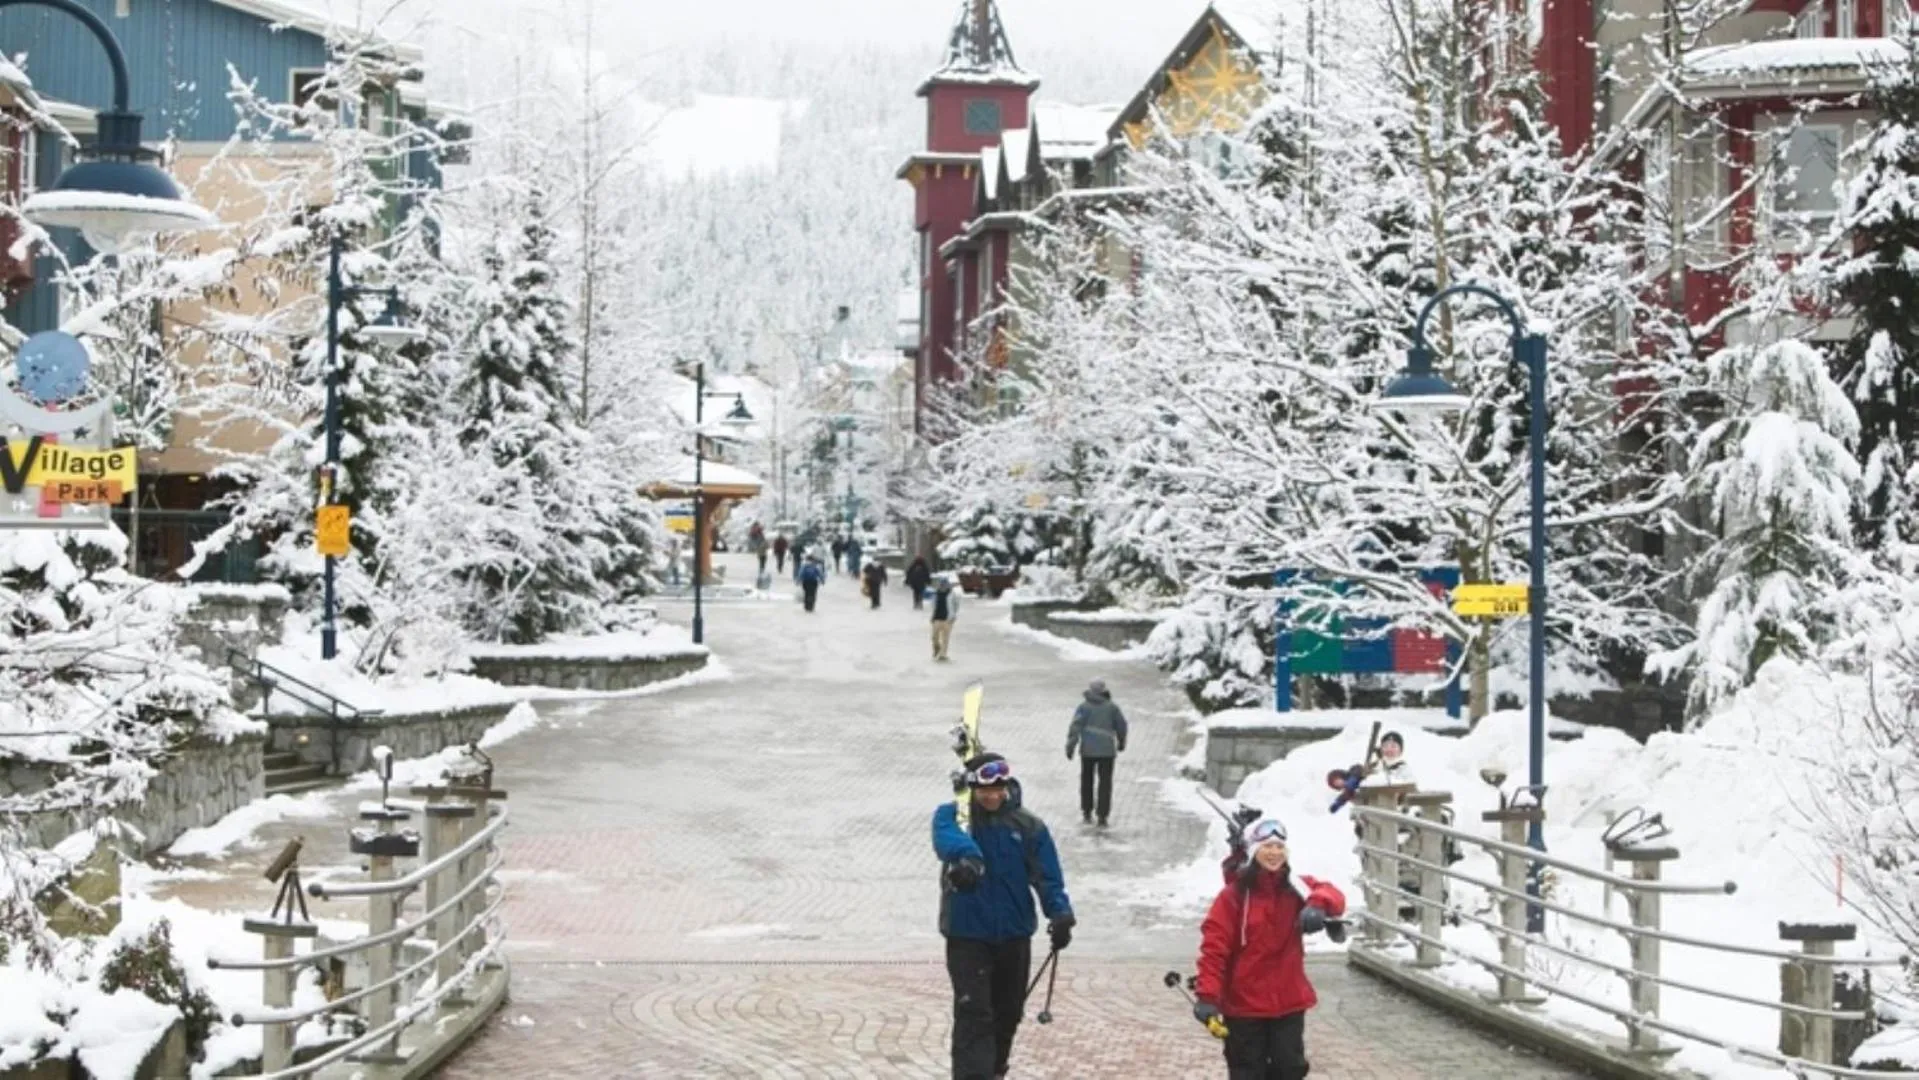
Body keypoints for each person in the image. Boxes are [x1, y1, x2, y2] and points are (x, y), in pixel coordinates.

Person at [931, 753, 1074, 1080]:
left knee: (1007, 1013)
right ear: (972, 788)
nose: (992, 796)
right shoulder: (953, 817)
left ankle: (995, 1071)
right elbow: (945, 839)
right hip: (967, 935)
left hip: (1013, 934)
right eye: (984, 789)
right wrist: (967, 858)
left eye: (998, 788)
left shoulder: (1028, 826)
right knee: (974, 1013)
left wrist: (1060, 912)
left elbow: (1047, 876)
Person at [1193, 818, 1346, 1080]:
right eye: (1267, 846)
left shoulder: (1295, 888)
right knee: (1247, 1072)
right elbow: (1214, 949)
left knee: (1290, 1069)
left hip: (1287, 1003)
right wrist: (1207, 996)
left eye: (1279, 846)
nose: (1274, 853)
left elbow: (1333, 894)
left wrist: (1319, 904)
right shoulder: (1233, 896)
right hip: (1244, 1006)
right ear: (1254, 851)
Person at [1065, 678, 1128, 827]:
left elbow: (1075, 727)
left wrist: (1070, 746)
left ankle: (1087, 810)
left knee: (1087, 781)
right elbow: (1121, 725)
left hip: (1088, 751)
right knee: (1105, 783)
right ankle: (1102, 815)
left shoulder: (1083, 708)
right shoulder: (1112, 708)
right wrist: (1121, 741)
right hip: (1107, 752)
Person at [930, 576, 960, 661]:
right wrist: (932, 616)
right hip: (937, 618)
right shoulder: (936, 594)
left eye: (944, 584)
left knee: (945, 638)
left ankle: (943, 654)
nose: (942, 586)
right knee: (934, 637)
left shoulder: (952, 594)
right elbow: (933, 605)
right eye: (941, 584)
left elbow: (956, 605)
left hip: (948, 619)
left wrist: (953, 615)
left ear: (947, 585)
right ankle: (937, 648)